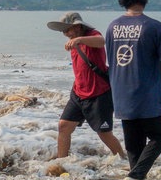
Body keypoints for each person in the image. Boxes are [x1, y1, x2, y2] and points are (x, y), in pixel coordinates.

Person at [105, 0, 161, 180]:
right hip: (146, 96)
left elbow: (115, 60)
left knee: (135, 148)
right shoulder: (154, 27)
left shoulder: (112, 27)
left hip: (121, 95)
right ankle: (136, 177)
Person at [47, 12, 125, 162]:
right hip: (78, 92)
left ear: (77, 27)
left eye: (67, 30)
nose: (65, 34)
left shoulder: (91, 35)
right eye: (63, 31)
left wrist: (80, 39)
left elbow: (102, 41)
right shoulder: (73, 40)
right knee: (63, 126)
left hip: (98, 93)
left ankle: (124, 160)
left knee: (104, 133)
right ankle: (61, 162)